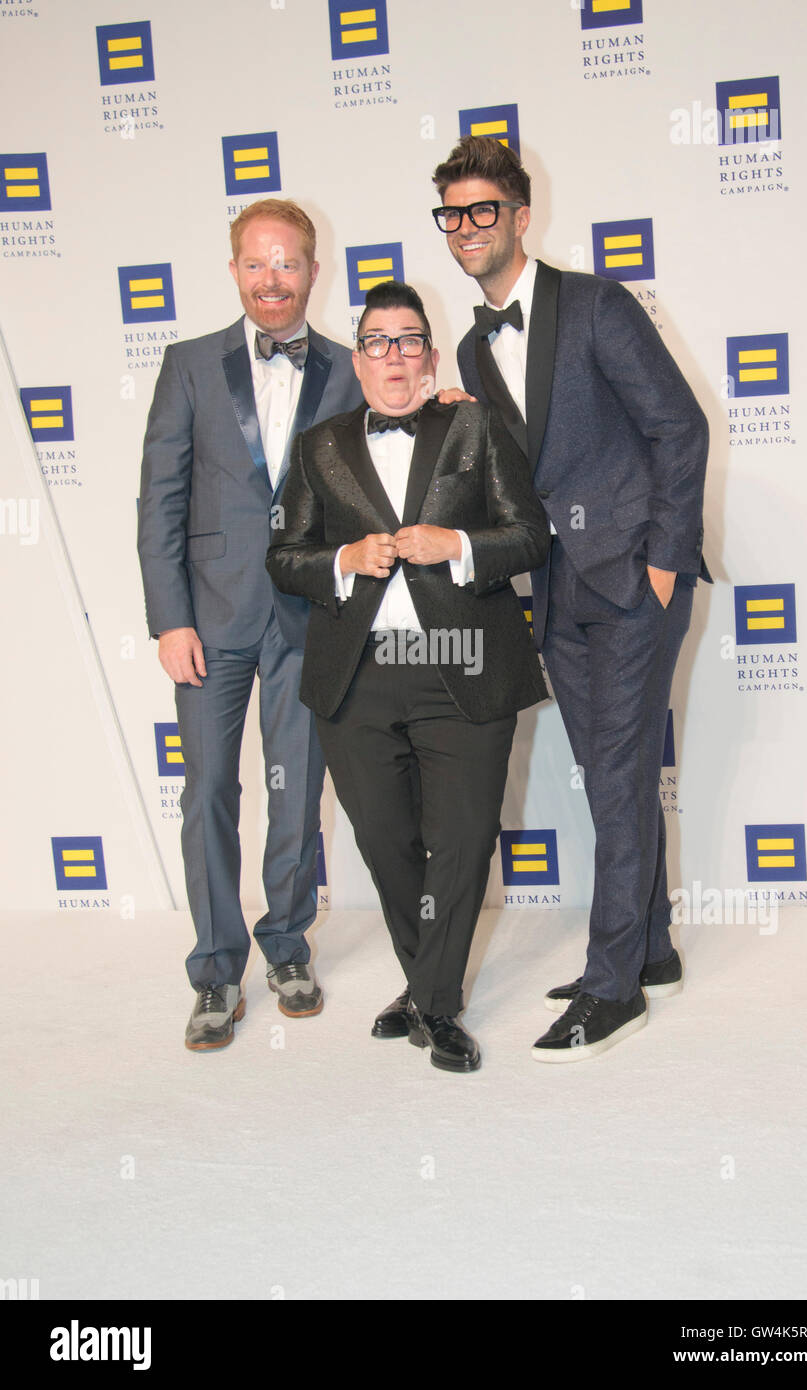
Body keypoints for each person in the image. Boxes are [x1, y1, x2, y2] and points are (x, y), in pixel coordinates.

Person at [431, 137, 711, 1062]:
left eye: (482, 211)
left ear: (518, 215)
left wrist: (663, 560)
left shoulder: (594, 304)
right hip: (555, 588)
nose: (467, 228)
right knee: (611, 776)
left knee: (622, 772)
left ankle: (611, 986)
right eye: (452, 215)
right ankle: (652, 948)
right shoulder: (474, 343)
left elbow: (679, 427)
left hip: (631, 577)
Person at [265, 281, 549, 1073]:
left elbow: (530, 538)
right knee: (388, 843)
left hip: (460, 665)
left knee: (459, 840)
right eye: (377, 341)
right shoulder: (319, 446)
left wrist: (456, 546)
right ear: (358, 360)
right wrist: (343, 562)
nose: (394, 354)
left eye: (409, 339)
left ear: (429, 351)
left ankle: (435, 1002)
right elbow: (283, 559)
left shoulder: (475, 424)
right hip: (358, 676)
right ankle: (429, 985)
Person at [138, 198, 364, 1051]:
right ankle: (215, 970)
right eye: (258, 264)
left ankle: (288, 944)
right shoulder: (189, 364)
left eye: (290, 263)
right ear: (235, 270)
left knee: (297, 791)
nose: (274, 280)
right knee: (207, 795)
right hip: (210, 617)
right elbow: (160, 497)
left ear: (314, 270)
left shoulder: (346, 369)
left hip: (310, 614)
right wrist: (168, 618)